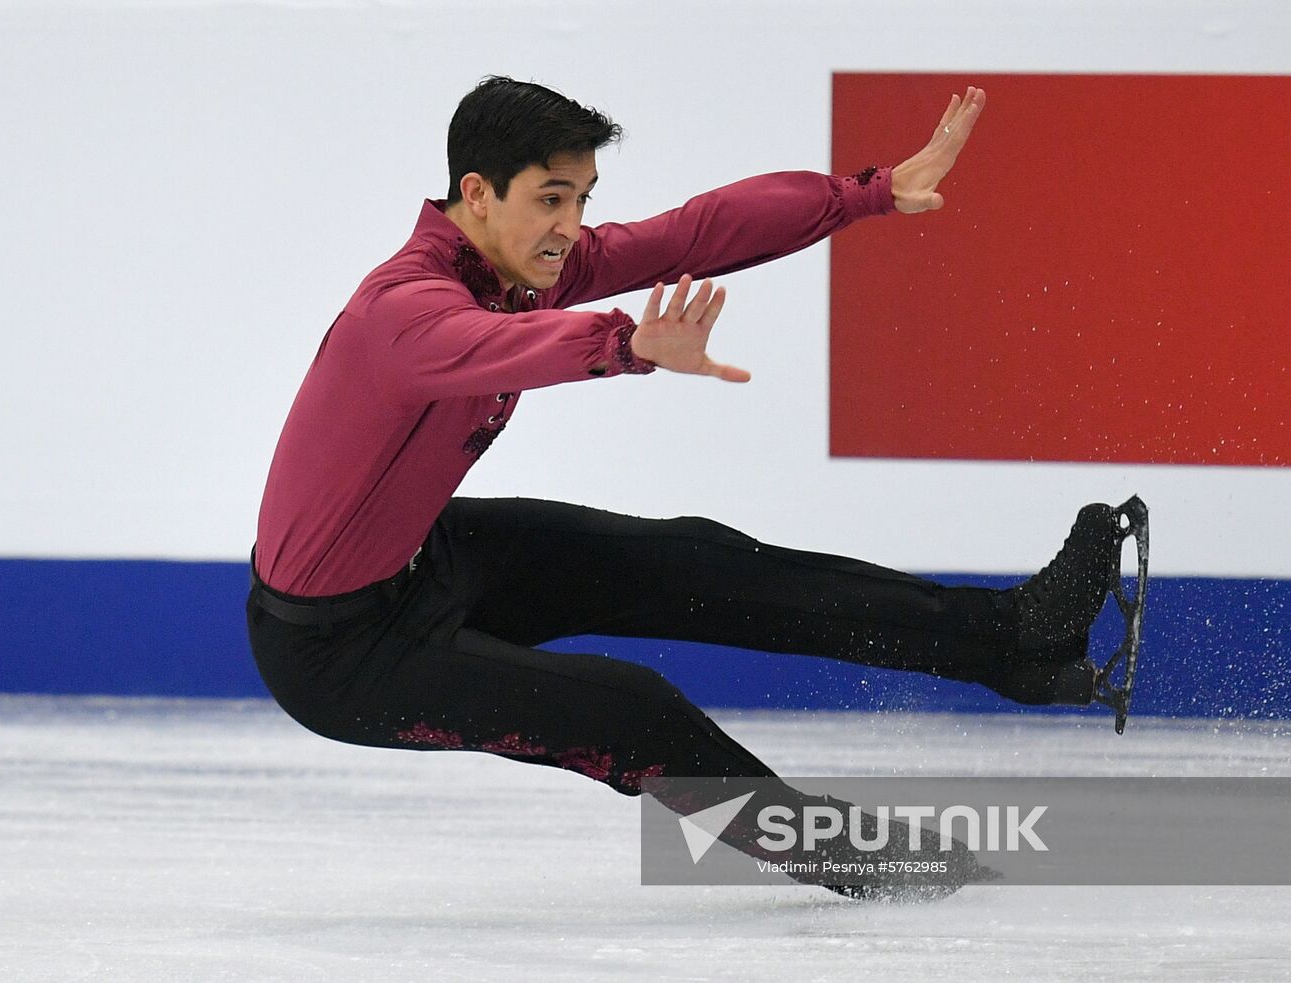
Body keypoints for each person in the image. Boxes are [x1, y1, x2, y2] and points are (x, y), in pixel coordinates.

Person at [247, 77, 1135, 897]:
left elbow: (693, 231)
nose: (570, 224)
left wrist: (870, 192)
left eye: (582, 199)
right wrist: (624, 345)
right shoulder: (403, 312)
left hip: (426, 560)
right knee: (633, 710)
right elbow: (493, 348)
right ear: (476, 194)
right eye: (550, 199)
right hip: (338, 650)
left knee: (696, 560)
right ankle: (867, 861)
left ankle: (1013, 639)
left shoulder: (525, 267)